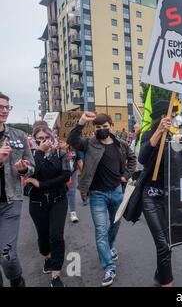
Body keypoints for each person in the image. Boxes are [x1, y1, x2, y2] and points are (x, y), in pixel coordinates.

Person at [67, 113, 136, 287]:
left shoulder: (121, 144)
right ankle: (108, 267)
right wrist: (81, 122)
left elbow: (132, 159)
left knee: (115, 224)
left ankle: (109, 246)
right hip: (97, 194)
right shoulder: (89, 143)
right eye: (98, 127)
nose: (102, 130)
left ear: (111, 126)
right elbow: (73, 140)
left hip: (116, 192)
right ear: (95, 129)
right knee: (100, 231)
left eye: (105, 126)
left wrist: (126, 175)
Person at [137, 101, 179, 287]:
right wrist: (158, 133)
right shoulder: (148, 134)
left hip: (170, 196)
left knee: (168, 243)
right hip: (151, 195)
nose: (176, 118)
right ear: (163, 116)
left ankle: (160, 276)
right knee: (162, 244)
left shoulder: (175, 136)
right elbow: (142, 158)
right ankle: (166, 284)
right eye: (172, 115)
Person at [26, 125, 71, 287]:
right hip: (37, 203)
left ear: (51, 138)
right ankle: (47, 257)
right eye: (39, 139)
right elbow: (31, 172)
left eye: (46, 138)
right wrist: (39, 151)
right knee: (43, 237)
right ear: (34, 140)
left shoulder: (60, 152)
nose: (43, 141)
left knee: (56, 236)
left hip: (58, 199)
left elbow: (66, 176)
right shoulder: (30, 154)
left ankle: (56, 276)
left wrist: (41, 184)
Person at [0, 92, 35, 287]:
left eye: (7, 107)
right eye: (0, 107)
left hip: (10, 203)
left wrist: (24, 169)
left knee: (7, 255)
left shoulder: (18, 135)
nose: (5, 111)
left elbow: (31, 164)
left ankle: (17, 281)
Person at [59, 139, 80, 223]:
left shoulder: (74, 149)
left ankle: (73, 212)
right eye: (60, 141)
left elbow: (79, 160)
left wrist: (83, 175)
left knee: (71, 192)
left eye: (63, 141)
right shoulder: (56, 151)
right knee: (61, 192)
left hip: (73, 173)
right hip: (60, 174)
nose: (61, 143)